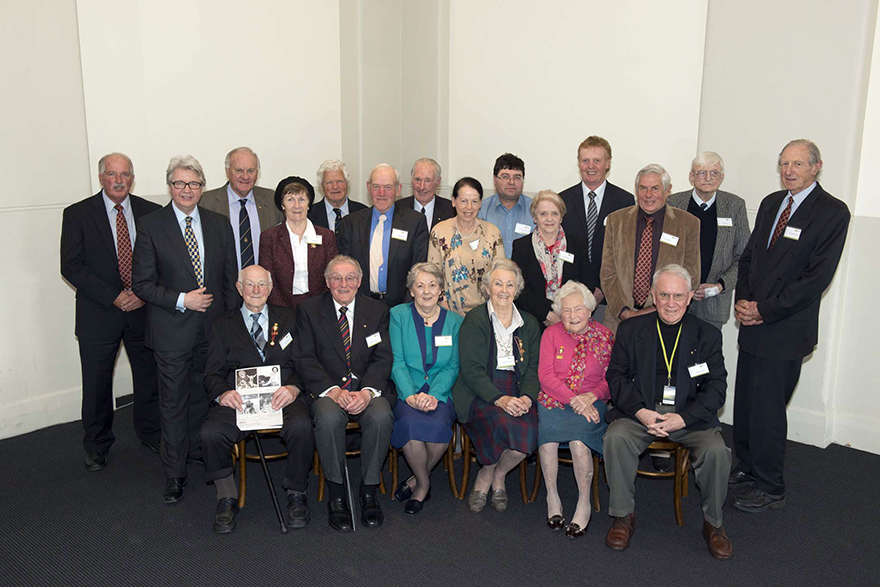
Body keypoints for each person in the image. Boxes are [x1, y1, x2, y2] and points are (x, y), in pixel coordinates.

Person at [730, 139, 850, 513]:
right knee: (746, 405)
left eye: (798, 164)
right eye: (784, 163)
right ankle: (747, 469)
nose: (789, 171)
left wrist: (765, 310)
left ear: (817, 167)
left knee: (767, 410)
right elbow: (749, 257)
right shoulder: (771, 203)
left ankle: (770, 486)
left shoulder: (832, 212)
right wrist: (743, 302)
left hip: (784, 327)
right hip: (753, 321)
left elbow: (816, 279)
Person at [603, 264, 733, 560]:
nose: (671, 303)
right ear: (653, 295)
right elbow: (616, 377)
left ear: (689, 297)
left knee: (717, 451)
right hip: (642, 412)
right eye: (664, 295)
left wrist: (683, 418)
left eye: (677, 295)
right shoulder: (631, 329)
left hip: (689, 416)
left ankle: (714, 524)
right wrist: (640, 412)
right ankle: (623, 516)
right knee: (615, 438)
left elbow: (716, 388)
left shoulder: (708, 335)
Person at [132, 155, 239, 504]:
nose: (186, 190)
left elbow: (228, 279)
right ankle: (175, 473)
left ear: (202, 187)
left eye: (193, 183)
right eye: (179, 183)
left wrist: (228, 325)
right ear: (169, 186)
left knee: (205, 398)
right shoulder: (150, 225)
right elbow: (142, 284)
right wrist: (182, 299)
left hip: (211, 332)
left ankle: (202, 454)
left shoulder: (219, 223)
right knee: (174, 404)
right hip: (171, 331)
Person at [60, 152, 161, 470]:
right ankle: (97, 443)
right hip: (99, 313)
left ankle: (150, 433)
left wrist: (141, 294)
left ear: (133, 178)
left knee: (148, 377)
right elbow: (71, 266)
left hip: (142, 311)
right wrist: (116, 296)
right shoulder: (77, 214)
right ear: (101, 177)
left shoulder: (151, 212)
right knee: (97, 382)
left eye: (126, 175)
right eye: (113, 175)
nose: (119, 181)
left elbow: (161, 262)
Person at [200, 265, 314, 533]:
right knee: (210, 432)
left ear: (271, 288)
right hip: (239, 400)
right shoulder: (220, 324)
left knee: (302, 426)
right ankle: (226, 497)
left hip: (282, 396)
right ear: (239, 289)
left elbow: (305, 363)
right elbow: (212, 373)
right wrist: (223, 393)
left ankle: (296, 492)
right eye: (249, 285)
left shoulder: (291, 318)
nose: (256, 290)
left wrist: (294, 388)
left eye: (262, 285)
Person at [292, 255, 395, 531]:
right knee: (327, 418)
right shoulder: (309, 310)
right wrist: (332, 390)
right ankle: (337, 494)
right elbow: (304, 357)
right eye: (336, 278)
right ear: (327, 282)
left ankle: (369, 490)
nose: (343, 283)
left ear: (360, 282)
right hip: (328, 390)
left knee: (382, 416)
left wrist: (368, 392)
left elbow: (383, 358)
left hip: (365, 389)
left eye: (350, 277)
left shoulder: (377, 310)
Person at [451, 258, 540, 513]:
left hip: (518, 388)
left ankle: (497, 472)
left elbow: (532, 369)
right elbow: (472, 371)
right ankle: (486, 476)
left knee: (531, 433)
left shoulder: (530, 324)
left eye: (510, 285)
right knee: (501, 422)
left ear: (517, 289)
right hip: (482, 391)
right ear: (488, 287)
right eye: (498, 283)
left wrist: (527, 398)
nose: (504, 290)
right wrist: (500, 399)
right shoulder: (475, 320)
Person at [537, 280, 613, 538]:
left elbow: (612, 380)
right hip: (555, 399)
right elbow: (545, 377)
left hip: (591, 402)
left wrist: (590, 396)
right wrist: (573, 399)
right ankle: (552, 497)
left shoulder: (605, 337)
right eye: (566, 311)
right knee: (547, 441)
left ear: (590, 310)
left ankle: (583, 502)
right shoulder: (551, 334)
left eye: (578, 309)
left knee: (579, 443)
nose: (572, 316)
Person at [388, 262, 463, 515]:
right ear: (411, 290)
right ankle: (423, 484)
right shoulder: (398, 316)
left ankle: (416, 481)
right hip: (406, 389)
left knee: (439, 428)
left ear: (441, 290)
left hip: (440, 392)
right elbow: (396, 362)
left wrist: (434, 395)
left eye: (432, 285)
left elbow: (453, 365)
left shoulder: (455, 322)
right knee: (409, 427)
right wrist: (410, 396)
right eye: (420, 286)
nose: (427, 291)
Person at [600, 164, 700, 335]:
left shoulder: (688, 224)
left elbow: (691, 276)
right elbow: (608, 273)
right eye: (643, 188)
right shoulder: (616, 221)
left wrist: (650, 312)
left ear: (667, 190)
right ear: (636, 190)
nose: (648, 195)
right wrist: (625, 312)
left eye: (655, 188)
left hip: (665, 319)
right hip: (618, 321)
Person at [668, 152, 751, 329]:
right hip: (673, 299)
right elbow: (663, 250)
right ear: (691, 176)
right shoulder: (673, 203)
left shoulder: (735, 206)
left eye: (714, 173)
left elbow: (744, 256)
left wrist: (719, 286)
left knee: (706, 354)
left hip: (714, 300)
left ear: (722, 177)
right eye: (701, 173)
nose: (707, 178)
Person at [559, 136, 635, 324]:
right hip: (571, 297)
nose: (590, 166)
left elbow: (625, 253)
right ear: (579, 163)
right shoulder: (563, 200)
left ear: (607, 163)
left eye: (597, 160)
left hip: (609, 299)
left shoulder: (624, 201)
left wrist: (602, 289)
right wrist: (578, 292)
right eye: (585, 160)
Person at [336, 163, 429, 306]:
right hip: (361, 305)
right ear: (368, 188)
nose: (381, 193)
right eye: (376, 187)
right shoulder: (351, 223)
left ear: (398, 189)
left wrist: (406, 306)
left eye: (388, 187)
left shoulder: (415, 222)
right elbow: (345, 269)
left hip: (401, 307)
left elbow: (418, 268)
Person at [511, 190, 590, 329]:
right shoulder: (521, 246)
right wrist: (546, 313)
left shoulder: (577, 244)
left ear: (561, 217)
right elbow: (520, 289)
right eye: (543, 214)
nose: (549, 218)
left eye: (554, 213)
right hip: (534, 322)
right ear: (535, 218)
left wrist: (568, 313)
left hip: (572, 321)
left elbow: (587, 282)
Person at [428, 177, 505, 316]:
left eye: (474, 201)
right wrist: (446, 310)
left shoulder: (492, 233)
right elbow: (433, 276)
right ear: (453, 201)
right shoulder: (439, 232)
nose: (469, 207)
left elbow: (500, 276)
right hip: (448, 312)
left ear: (481, 203)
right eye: (463, 201)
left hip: (486, 314)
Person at [258, 176, 338, 309]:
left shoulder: (326, 236)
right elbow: (268, 280)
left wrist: (317, 307)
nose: (297, 206)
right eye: (290, 200)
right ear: (282, 205)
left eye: (301, 199)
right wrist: (285, 310)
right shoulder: (269, 237)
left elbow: (332, 275)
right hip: (281, 308)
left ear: (308, 204)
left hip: (320, 307)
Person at [200, 147, 283, 270]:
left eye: (251, 170)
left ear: (257, 172)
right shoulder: (205, 202)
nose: (245, 176)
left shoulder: (272, 199)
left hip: (264, 284)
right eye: (239, 170)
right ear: (227, 172)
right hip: (223, 284)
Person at [478, 153, 534, 257]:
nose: (511, 182)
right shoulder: (481, 210)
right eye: (505, 177)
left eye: (517, 177)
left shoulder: (535, 209)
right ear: (495, 180)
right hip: (491, 272)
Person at [308, 159, 367, 233]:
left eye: (339, 181)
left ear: (347, 183)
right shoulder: (309, 215)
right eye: (329, 182)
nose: (335, 187)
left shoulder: (364, 213)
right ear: (321, 186)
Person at [396, 158, 455, 231]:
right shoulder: (397, 209)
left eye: (427, 181)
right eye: (418, 180)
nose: (421, 187)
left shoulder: (451, 211)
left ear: (438, 182)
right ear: (411, 180)